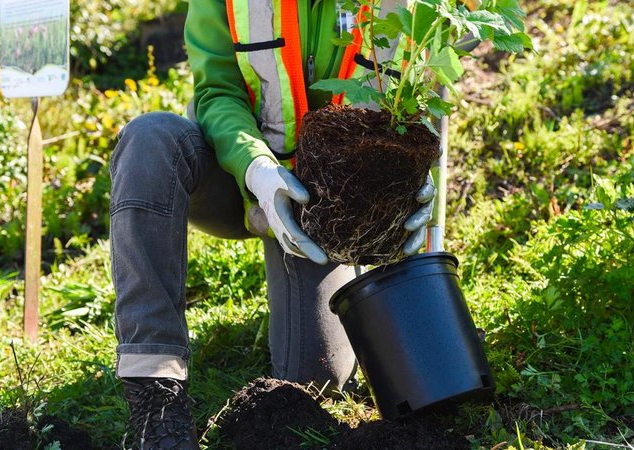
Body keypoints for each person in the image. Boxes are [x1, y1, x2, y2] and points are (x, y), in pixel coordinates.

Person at [109, 1, 433, 448]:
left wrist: (413, 168)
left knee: (317, 380)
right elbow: (216, 92)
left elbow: (422, 83)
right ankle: (155, 394)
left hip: (328, 214)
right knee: (150, 139)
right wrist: (258, 171)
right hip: (236, 175)